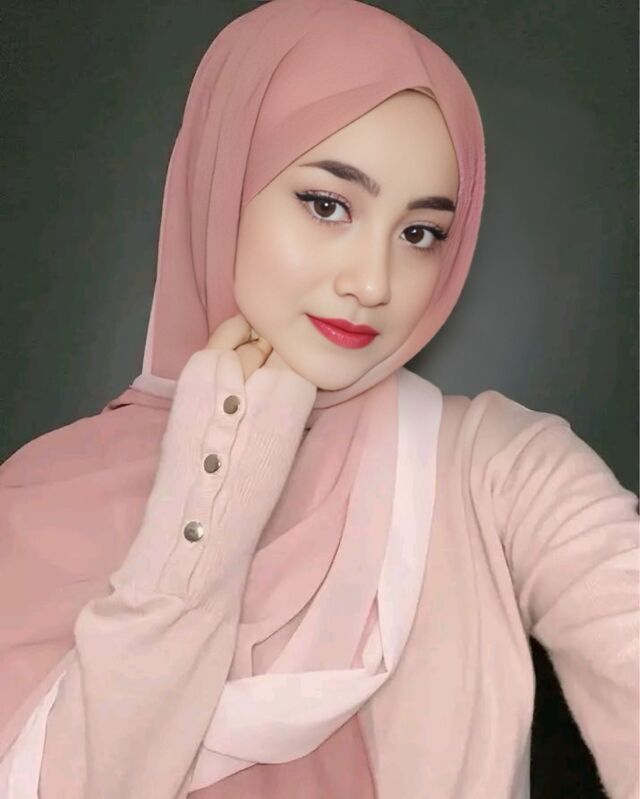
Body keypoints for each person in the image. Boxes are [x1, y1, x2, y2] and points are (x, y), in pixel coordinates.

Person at [0, 0, 637, 797]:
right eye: (327, 204)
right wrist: (216, 485)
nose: (372, 283)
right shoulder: (42, 503)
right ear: (224, 184)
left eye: (420, 233)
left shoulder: (496, 474)